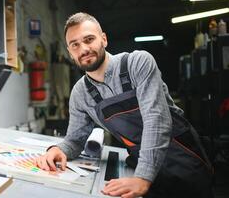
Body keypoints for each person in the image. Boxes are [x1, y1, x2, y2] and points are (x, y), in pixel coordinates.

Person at [34, 12, 213, 198]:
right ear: (70, 52)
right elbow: (75, 140)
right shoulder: (80, 93)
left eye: (89, 39)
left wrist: (143, 177)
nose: (84, 49)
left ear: (104, 39)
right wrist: (58, 149)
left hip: (183, 162)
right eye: (75, 45)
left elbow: (157, 121)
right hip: (142, 172)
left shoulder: (138, 63)